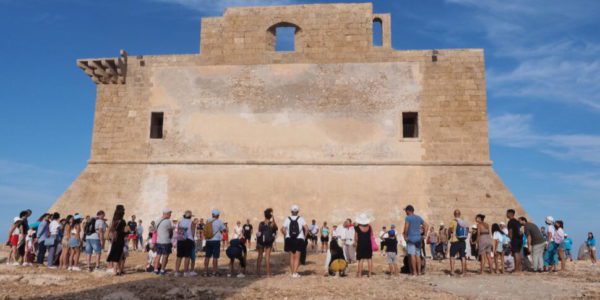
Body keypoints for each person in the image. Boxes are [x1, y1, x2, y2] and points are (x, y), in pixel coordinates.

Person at [281, 204, 308, 278]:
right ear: (298, 211)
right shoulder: (301, 219)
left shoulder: (287, 219)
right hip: (299, 239)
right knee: (297, 257)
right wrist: (304, 237)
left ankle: (292, 272)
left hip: (289, 239)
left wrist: (286, 235)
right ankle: (295, 273)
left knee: (291, 257)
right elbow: (306, 229)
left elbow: (282, 229)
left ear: (291, 211)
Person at [402, 205, 428, 276]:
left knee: (412, 255)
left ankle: (414, 272)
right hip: (418, 239)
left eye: (406, 211)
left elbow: (406, 228)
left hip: (411, 239)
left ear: (408, 211)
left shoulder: (408, 218)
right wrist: (424, 235)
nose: (405, 212)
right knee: (418, 255)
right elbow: (426, 225)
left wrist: (405, 235)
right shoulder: (418, 217)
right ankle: (419, 272)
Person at [106, 205, 129, 276]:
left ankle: (116, 270)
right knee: (118, 255)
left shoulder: (114, 220)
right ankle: (116, 270)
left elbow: (110, 229)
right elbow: (125, 231)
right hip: (120, 239)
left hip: (114, 239)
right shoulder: (122, 221)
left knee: (115, 254)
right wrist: (128, 230)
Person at [204, 209, 227, 277]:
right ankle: (214, 272)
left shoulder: (208, 220)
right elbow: (224, 230)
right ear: (218, 215)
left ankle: (205, 271)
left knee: (207, 256)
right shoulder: (219, 221)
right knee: (215, 257)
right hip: (216, 240)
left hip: (208, 240)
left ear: (212, 214)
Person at [174, 210, 197, 277]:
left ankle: (176, 272)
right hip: (189, 240)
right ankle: (186, 272)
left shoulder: (180, 222)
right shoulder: (192, 223)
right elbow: (192, 233)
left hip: (181, 240)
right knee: (187, 257)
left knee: (179, 256)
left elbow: (179, 231)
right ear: (190, 216)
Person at [256, 208, 277, 277]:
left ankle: (258, 273)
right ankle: (268, 273)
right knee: (267, 257)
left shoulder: (261, 224)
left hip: (261, 241)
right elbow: (276, 227)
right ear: (270, 216)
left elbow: (259, 232)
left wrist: (257, 243)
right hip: (268, 242)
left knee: (260, 256)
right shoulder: (271, 224)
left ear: (264, 215)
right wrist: (273, 218)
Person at [153, 208, 173, 275]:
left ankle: (155, 270)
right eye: (170, 213)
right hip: (166, 241)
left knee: (158, 255)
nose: (170, 215)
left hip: (159, 241)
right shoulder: (168, 221)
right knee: (165, 256)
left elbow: (155, 230)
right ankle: (162, 270)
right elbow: (170, 231)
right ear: (166, 214)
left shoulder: (157, 220)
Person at [448, 209, 468, 276]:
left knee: (452, 256)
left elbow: (450, 230)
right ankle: (463, 272)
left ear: (454, 214)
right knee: (462, 256)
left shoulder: (453, 221)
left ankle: (452, 271)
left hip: (455, 241)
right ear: (460, 214)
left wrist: (448, 236)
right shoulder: (463, 222)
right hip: (462, 241)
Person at [354, 213, 373, 277]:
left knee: (361, 259)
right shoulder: (369, 227)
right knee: (369, 259)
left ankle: (359, 274)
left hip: (361, 244)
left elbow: (356, 238)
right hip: (368, 243)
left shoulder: (357, 227)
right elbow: (371, 234)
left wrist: (356, 243)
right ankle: (370, 273)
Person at [506, 209, 523, 273]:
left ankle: (516, 269)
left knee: (515, 253)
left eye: (507, 213)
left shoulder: (510, 222)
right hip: (520, 239)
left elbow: (510, 232)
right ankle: (518, 269)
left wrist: (510, 240)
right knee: (518, 254)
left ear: (510, 214)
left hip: (515, 239)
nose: (506, 215)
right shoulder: (517, 222)